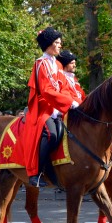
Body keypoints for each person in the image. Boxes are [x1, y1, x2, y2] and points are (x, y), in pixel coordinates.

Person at [23, 27, 79, 187]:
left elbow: (64, 88)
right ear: (48, 44)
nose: (60, 45)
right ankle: (37, 173)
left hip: (58, 105)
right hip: (44, 106)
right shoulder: (40, 64)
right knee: (52, 135)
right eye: (57, 42)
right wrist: (67, 103)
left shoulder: (58, 65)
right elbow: (46, 91)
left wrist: (71, 101)